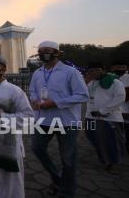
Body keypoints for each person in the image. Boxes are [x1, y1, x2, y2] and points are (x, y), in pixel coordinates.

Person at [29, 41, 89, 198]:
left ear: (57, 52)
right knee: (37, 148)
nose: (44, 54)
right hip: (43, 120)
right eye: (41, 51)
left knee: (68, 158)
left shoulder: (71, 72)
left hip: (67, 121)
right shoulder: (37, 72)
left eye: (47, 50)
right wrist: (35, 100)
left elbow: (83, 95)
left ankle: (67, 191)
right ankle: (57, 178)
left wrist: (56, 103)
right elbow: (32, 91)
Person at [0, 55, 34, 198]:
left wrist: (1, 116)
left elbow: (28, 117)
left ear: (3, 69)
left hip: (8, 147)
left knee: (10, 187)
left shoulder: (15, 91)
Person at [85, 62, 126, 172]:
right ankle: (105, 160)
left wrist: (103, 111)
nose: (94, 73)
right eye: (91, 71)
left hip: (110, 118)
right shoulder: (91, 83)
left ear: (103, 69)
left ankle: (114, 163)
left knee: (112, 141)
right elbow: (88, 98)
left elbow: (120, 98)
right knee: (95, 139)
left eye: (97, 70)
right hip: (91, 117)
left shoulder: (115, 82)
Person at [110, 60, 129, 158]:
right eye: (118, 67)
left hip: (128, 109)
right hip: (113, 110)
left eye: (123, 67)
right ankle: (116, 148)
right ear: (113, 68)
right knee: (115, 131)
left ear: (126, 68)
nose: (121, 69)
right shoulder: (108, 79)